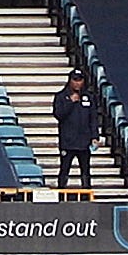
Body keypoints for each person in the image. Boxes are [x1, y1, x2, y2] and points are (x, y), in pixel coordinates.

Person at [47, 68, 106, 196]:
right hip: (68, 141)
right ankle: (61, 193)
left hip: (84, 142)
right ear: (70, 81)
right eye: (75, 80)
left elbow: (93, 118)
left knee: (85, 170)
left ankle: (86, 194)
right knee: (64, 169)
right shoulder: (61, 97)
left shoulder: (89, 98)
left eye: (80, 80)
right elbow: (58, 114)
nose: (77, 83)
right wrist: (70, 102)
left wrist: (95, 136)